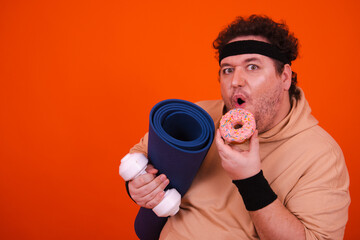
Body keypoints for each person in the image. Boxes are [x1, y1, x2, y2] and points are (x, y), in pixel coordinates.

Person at [125, 15, 350, 239]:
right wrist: (137, 184)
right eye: (227, 70)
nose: (235, 81)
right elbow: (141, 153)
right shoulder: (203, 117)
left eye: (252, 66)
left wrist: (251, 180)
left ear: (285, 77)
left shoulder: (321, 155)